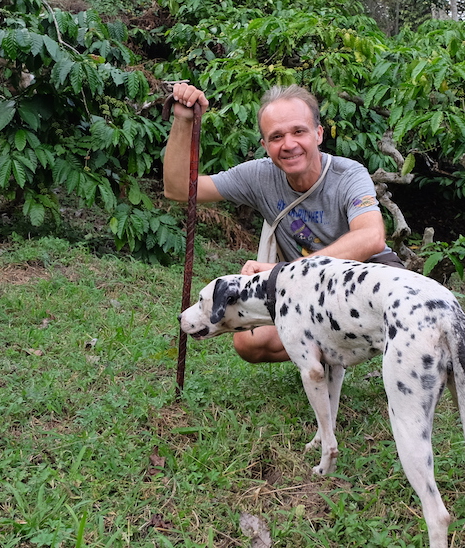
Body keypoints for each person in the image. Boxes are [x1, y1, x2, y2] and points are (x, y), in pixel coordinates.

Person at [163, 83, 402, 363]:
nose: (289, 145)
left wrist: (282, 272)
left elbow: (371, 237)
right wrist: (183, 119)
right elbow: (179, 189)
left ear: (318, 133)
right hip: (308, 293)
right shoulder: (259, 176)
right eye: (276, 137)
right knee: (250, 343)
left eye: (299, 131)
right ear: (265, 145)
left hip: (365, 287)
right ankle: (327, 354)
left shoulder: (348, 174)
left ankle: (345, 347)